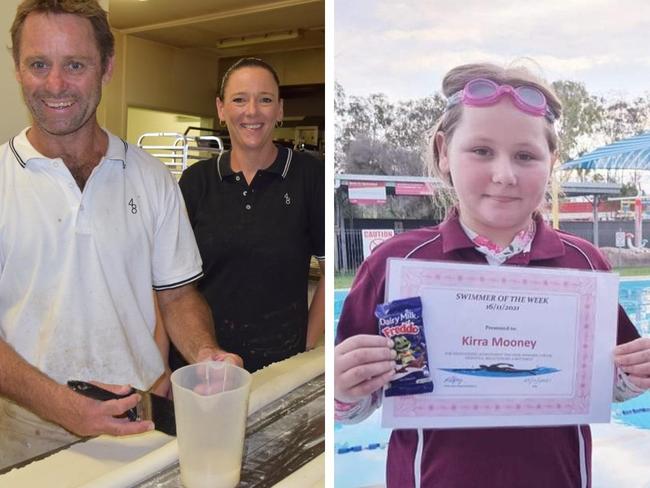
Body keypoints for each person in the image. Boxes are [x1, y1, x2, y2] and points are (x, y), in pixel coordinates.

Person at [334, 62, 650, 488]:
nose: (504, 175)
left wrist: (636, 372)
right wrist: (344, 389)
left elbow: (607, 386)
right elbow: (358, 403)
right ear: (444, 151)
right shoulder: (396, 265)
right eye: (481, 151)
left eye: (525, 155)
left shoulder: (585, 265)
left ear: (551, 161)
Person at [0, 0, 241, 469]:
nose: (55, 85)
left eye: (74, 65)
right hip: (27, 433)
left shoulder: (152, 179)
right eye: (38, 65)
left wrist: (204, 353)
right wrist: (59, 403)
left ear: (106, 67)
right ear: (17, 69)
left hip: (140, 419)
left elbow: (178, 298)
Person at [169, 58, 325, 373]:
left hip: (277, 368)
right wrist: (167, 367)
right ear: (221, 108)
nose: (251, 111)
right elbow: (171, 287)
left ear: (279, 110)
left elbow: (330, 269)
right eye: (239, 99)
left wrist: (305, 346)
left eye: (264, 100)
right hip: (202, 363)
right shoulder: (196, 181)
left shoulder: (310, 176)